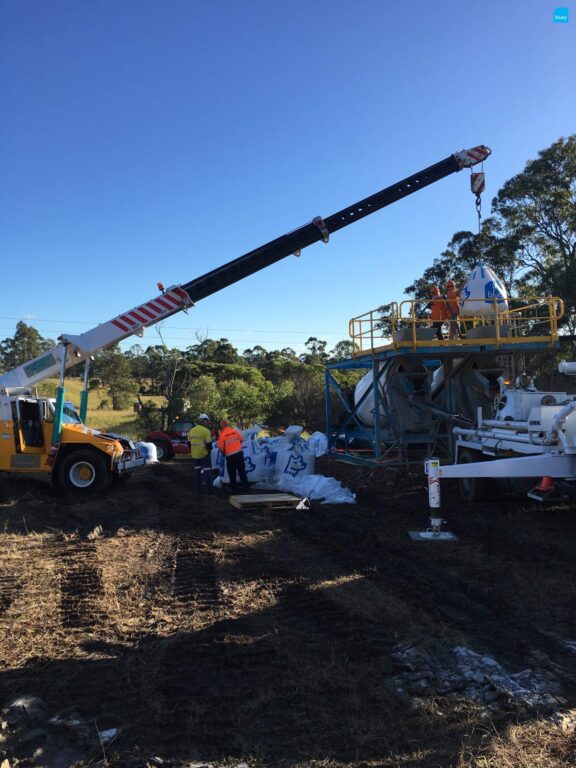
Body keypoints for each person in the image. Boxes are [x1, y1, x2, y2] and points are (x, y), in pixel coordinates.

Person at [217, 420, 249, 491]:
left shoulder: (222, 435)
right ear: (228, 425)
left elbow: (220, 447)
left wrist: (224, 453)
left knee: (232, 473)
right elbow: (241, 440)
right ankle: (246, 488)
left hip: (230, 456)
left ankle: (234, 489)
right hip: (239, 454)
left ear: (222, 426)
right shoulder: (235, 431)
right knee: (242, 471)